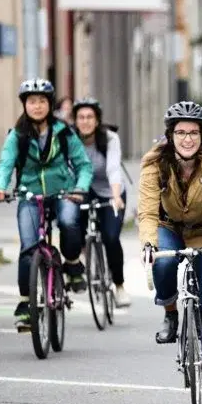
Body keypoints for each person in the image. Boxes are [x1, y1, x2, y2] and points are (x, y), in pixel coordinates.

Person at [138, 101, 202, 404]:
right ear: (170, 135)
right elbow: (147, 212)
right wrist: (148, 244)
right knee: (163, 263)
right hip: (169, 228)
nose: (187, 139)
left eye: (193, 132)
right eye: (180, 132)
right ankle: (171, 314)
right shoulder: (155, 164)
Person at [0, 78, 93, 331]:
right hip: (29, 194)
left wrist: (80, 187)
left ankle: (72, 264)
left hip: (64, 192)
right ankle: (26, 304)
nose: (37, 106)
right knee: (28, 248)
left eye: (42, 101)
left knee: (69, 222)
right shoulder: (17, 135)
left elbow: (83, 164)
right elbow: (5, 164)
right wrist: (0, 187)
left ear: (50, 104)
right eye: (32, 101)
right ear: (24, 105)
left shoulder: (64, 132)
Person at [72, 97, 131, 307]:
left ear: (97, 120)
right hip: (83, 190)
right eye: (81, 117)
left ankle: (119, 286)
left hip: (110, 191)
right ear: (75, 120)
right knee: (71, 223)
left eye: (90, 117)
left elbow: (113, 168)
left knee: (111, 237)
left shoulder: (109, 138)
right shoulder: (70, 139)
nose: (85, 121)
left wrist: (116, 196)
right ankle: (81, 255)